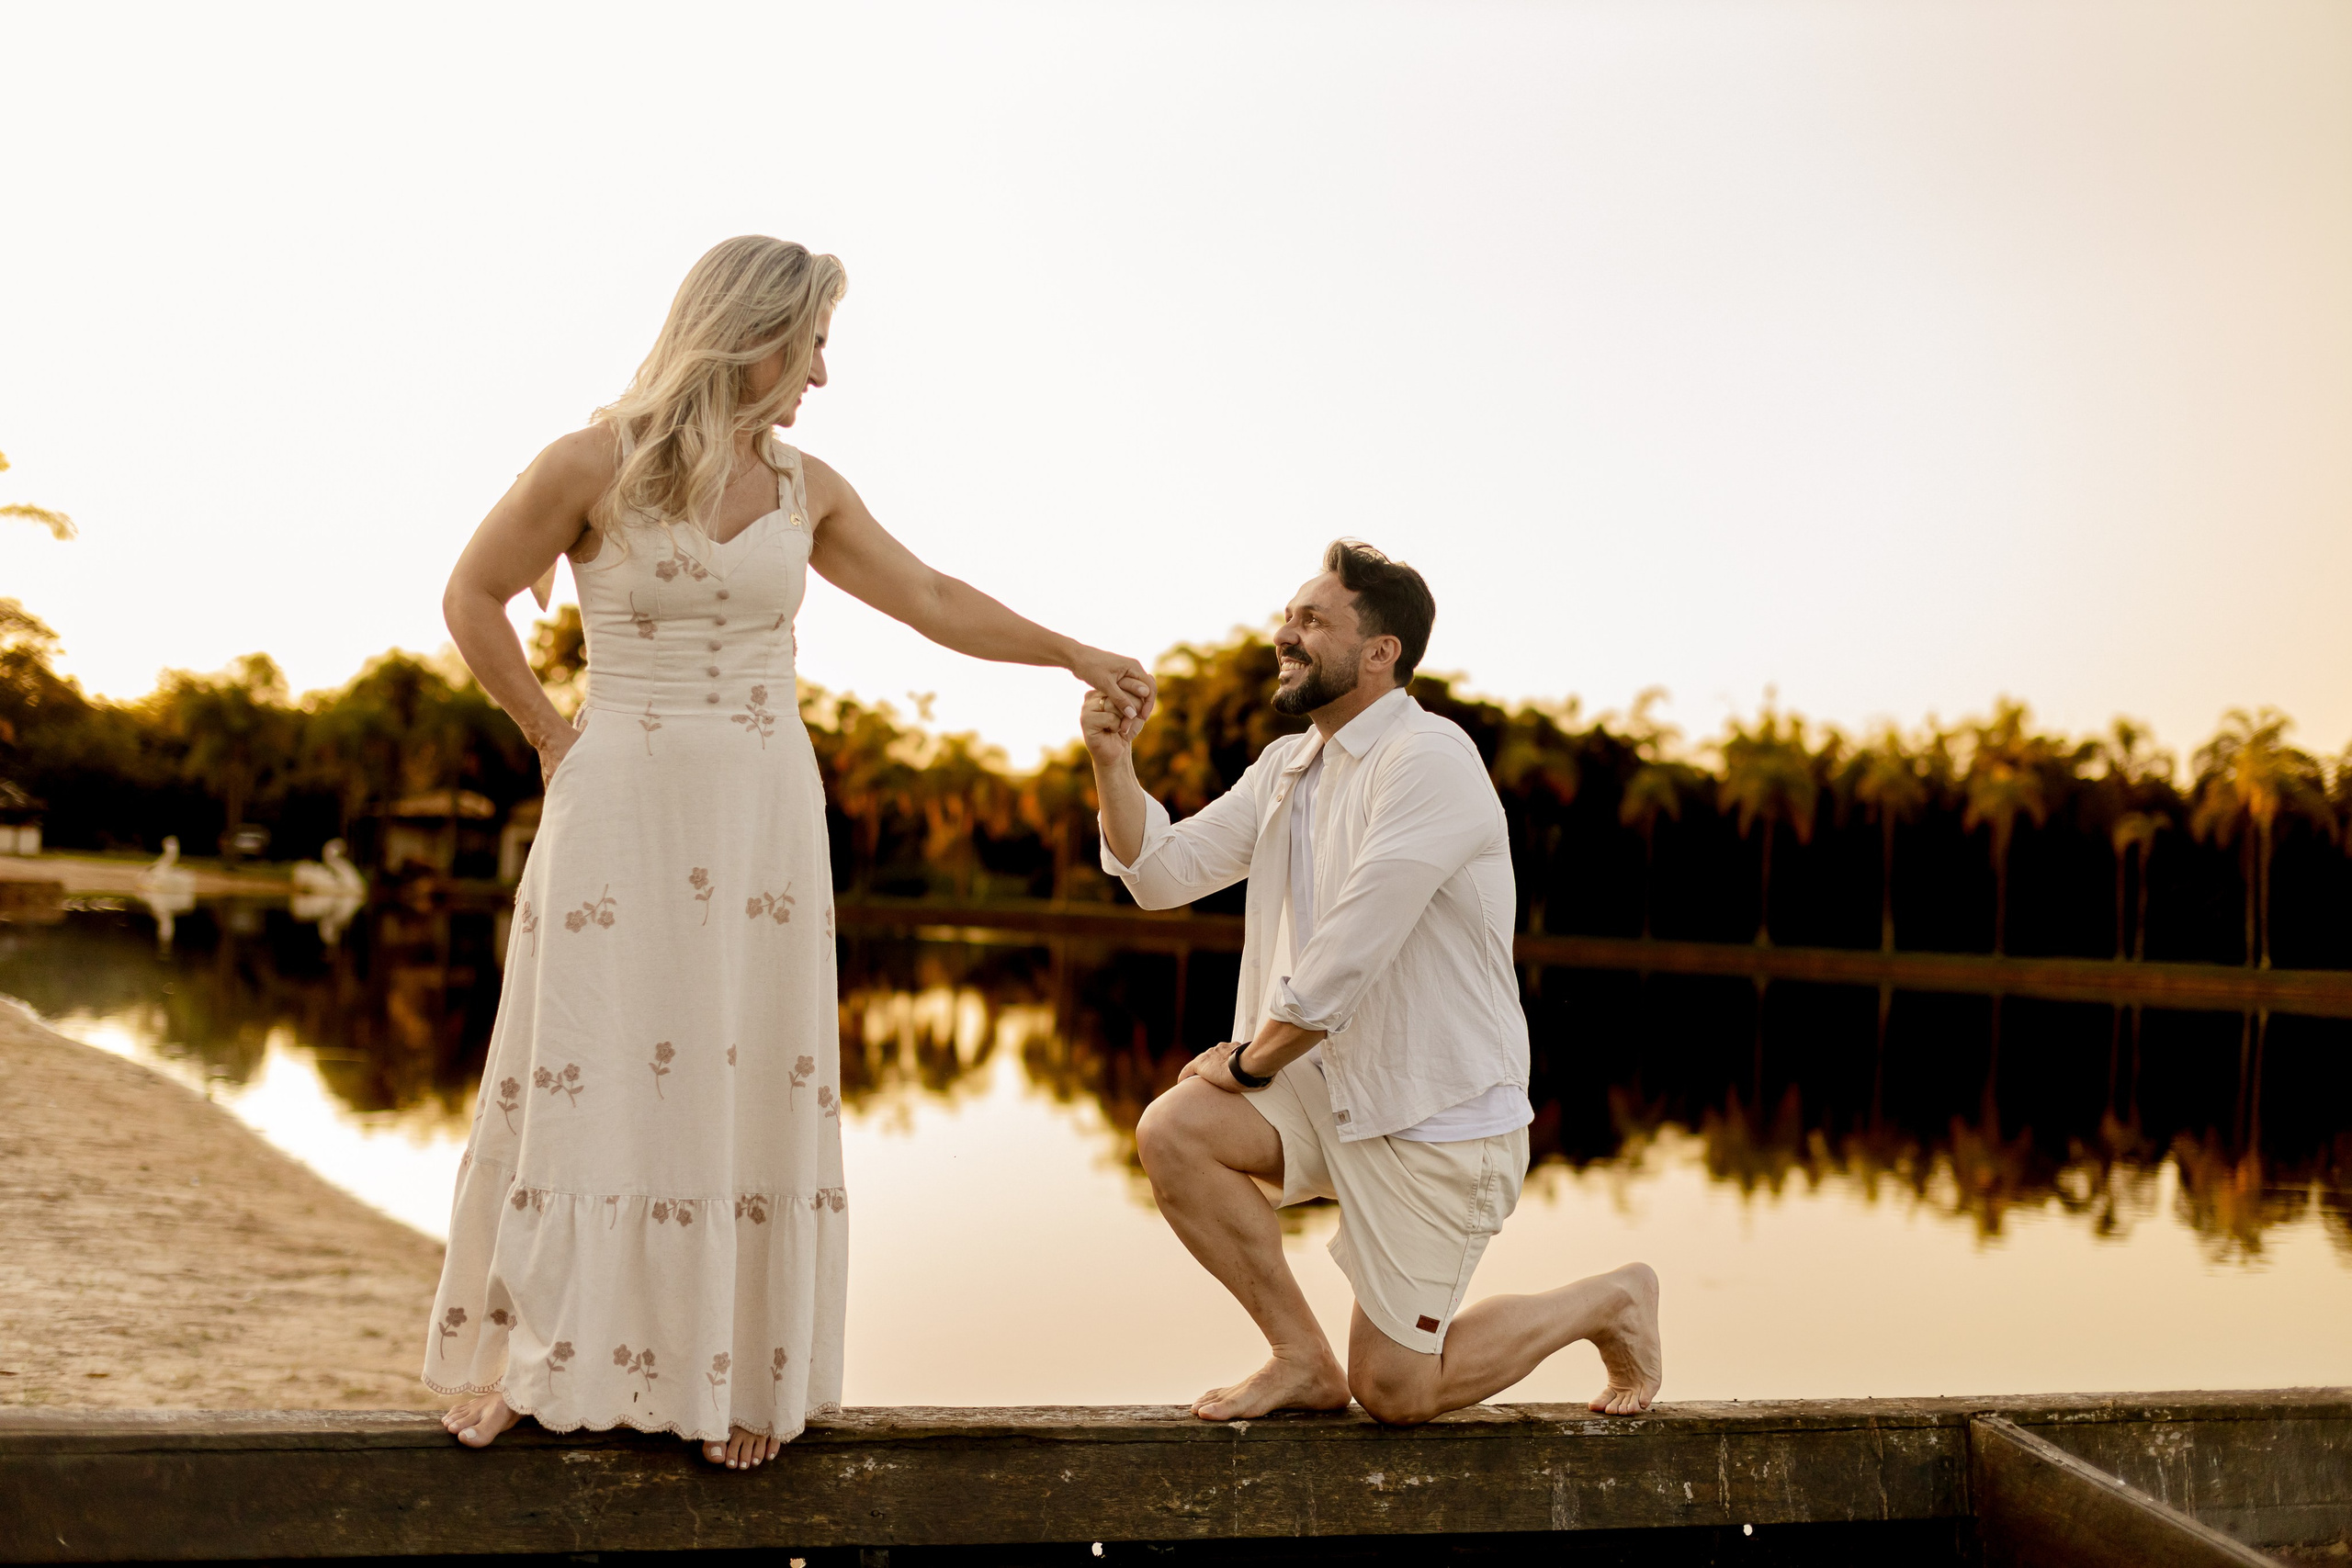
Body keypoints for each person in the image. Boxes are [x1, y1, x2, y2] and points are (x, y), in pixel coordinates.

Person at [426, 236, 1155, 1468]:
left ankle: (741, 1364)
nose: (822, 372)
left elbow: (931, 594)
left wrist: (1071, 650)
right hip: (617, 809)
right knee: (588, 1064)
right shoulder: (587, 463)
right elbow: (471, 594)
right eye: (813, 342)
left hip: (761, 814)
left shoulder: (808, 487)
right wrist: (552, 735)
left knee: (747, 1066)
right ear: (751, 333)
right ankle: (543, 1358)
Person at [1082, 540, 1661, 1425]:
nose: (1286, 633)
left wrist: (1246, 1065)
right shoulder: (1289, 768)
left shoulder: (1429, 758)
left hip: (1441, 1114)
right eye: (1289, 615)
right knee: (1176, 1131)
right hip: (1333, 1087)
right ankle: (1299, 1359)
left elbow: (1350, 952)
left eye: (1313, 619)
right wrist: (1114, 763)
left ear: (1381, 651)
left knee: (1397, 1391)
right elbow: (1159, 872)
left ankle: (1610, 1299)